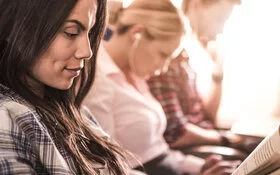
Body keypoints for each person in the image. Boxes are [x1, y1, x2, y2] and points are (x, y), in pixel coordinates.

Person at [83, 0, 240, 174]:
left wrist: (200, 167)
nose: (163, 68)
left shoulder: (136, 75)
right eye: (163, 55)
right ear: (137, 34)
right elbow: (106, 167)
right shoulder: (97, 80)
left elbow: (159, 151)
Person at [0, 0, 136, 174]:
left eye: (91, 33)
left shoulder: (72, 111)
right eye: (71, 32)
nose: (87, 52)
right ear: (15, 26)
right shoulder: (7, 116)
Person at [147, 0, 260, 153]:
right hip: (194, 149)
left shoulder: (185, 56)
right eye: (219, 20)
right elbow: (176, 134)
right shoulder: (166, 59)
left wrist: (218, 73)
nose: (220, 30)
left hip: (207, 137)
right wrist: (224, 139)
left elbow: (207, 117)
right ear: (196, 5)